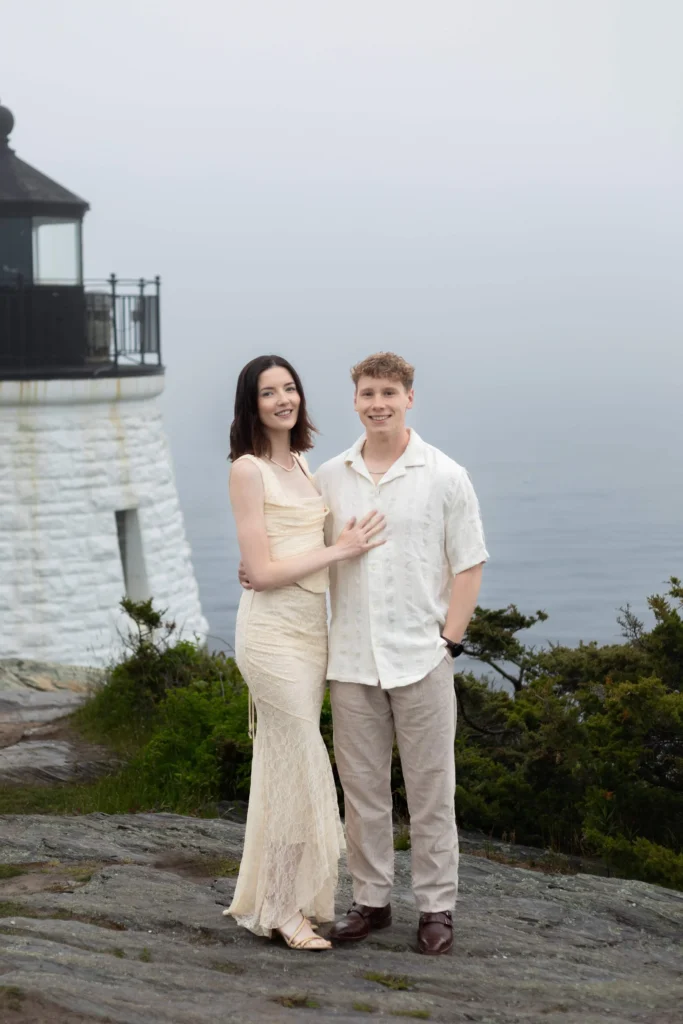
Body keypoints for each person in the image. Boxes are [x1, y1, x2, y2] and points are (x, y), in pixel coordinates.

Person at [316, 351, 489, 956]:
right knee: (360, 790)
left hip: (421, 659)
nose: (378, 403)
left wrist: (449, 641)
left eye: (389, 392)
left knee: (430, 791)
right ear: (355, 400)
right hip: (351, 662)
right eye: (368, 393)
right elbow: (311, 555)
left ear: (409, 397)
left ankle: (437, 908)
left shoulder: (445, 475)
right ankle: (371, 902)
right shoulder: (330, 476)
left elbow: (469, 563)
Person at [223, 354, 385, 952]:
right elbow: (264, 573)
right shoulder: (248, 468)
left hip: (310, 631)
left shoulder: (300, 462)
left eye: (289, 388)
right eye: (269, 393)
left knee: (281, 769)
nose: (283, 399)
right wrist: (339, 551)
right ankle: (285, 911)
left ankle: (275, 899)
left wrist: (327, 551)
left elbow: (281, 554)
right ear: (252, 404)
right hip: (269, 637)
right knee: (303, 766)